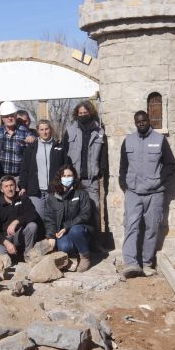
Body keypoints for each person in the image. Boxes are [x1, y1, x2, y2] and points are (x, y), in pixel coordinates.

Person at [119, 110, 175, 278]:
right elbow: (123, 166)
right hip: (133, 193)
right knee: (131, 226)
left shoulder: (159, 140)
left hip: (155, 194)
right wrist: (124, 183)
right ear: (135, 123)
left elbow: (170, 165)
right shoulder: (128, 141)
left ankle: (147, 263)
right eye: (138, 122)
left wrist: (159, 181)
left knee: (152, 227)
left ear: (149, 121)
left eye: (144, 121)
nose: (141, 124)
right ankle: (131, 264)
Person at [62, 101, 108, 245]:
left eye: (85, 113)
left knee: (94, 211)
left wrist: (101, 171)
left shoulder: (99, 132)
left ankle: (95, 243)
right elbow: (64, 152)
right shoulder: (70, 130)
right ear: (77, 114)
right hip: (74, 180)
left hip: (91, 180)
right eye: (80, 113)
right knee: (73, 212)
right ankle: (74, 243)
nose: (83, 115)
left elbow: (104, 155)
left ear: (91, 113)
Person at [43, 164, 94, 272]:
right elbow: (49, 218)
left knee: (75, 231)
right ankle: (74, 253)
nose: (67, 178)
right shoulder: (52, 197)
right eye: (64, 176)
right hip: (63, 232)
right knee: (64, 247)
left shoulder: (82, 194)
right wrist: (51, 235)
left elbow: (85, 214)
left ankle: (85, 256)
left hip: (80, 229)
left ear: (74, 177)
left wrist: (67, 226)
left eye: (69, 175)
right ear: (60, 178)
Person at [19, 118, 67, 219]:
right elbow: (24, 169)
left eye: (47, 129)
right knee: (38, 218)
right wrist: (23, 186)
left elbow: (65, 169)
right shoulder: (30, 149)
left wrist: (64, 185)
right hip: (35, 191)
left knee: (53, 218)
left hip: (54, 190)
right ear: (38, 131)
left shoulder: (59, 148)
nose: (45, 132)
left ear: (51, 130)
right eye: (42, 129)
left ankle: (52, 235)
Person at [0, 175, 39, 262]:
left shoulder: (23, 198)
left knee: (32, 226)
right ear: (1, 189)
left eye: (11, 185)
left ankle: (29, 257)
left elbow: (32, 214)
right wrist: (6, 242)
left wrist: (16, 222)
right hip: (3, 239)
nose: (9, 189)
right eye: (6, 186)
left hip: (19, 234)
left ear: (16, 186)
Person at [0, 101, 34, 179]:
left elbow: (34, 147)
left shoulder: (24, 131)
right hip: (1, 176)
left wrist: (34, 140)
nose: (10, 118)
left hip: (19, 176)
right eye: (6, 116)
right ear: (2, 118)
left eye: (12, 115)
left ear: (15, 116)